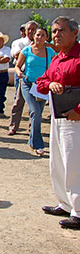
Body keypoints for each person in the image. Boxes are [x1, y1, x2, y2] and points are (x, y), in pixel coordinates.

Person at [37, 16, 80, 230]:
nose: (56, 35)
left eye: (61, 30)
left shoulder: (78, 57)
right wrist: (51, 83)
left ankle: (79, 210)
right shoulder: (56, 58)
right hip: (58, 116)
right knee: (58, 163)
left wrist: (79, 111)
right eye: (54, 31)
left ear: (75, 33)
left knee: (75, 165)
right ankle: (65, 203)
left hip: (76, 119)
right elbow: (41, 82)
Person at [15, 27, 56, 156]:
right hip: (28, 84)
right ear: (33, 36)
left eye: (42, 35)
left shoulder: (50, 52)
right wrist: (19, 73)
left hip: (42, 87)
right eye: (37, 35)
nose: (39, 37)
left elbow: (55, 67)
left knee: (37, 114)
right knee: (35, 111)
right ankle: (38, 144)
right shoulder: (26, 51)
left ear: (46, 38)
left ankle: (32, 142)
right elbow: (17, 66)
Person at [8, 21, 38, 135]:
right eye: (29, 29)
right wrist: (33, 47)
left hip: (36, 74)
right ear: (25, 31)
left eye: (34, 29)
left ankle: (33, 127)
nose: (31, 31)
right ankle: (14, 126)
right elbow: (16, 55)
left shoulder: (42, 44)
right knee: (19, 101)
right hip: (22, 73)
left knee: (35, 102)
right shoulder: (19, 42)